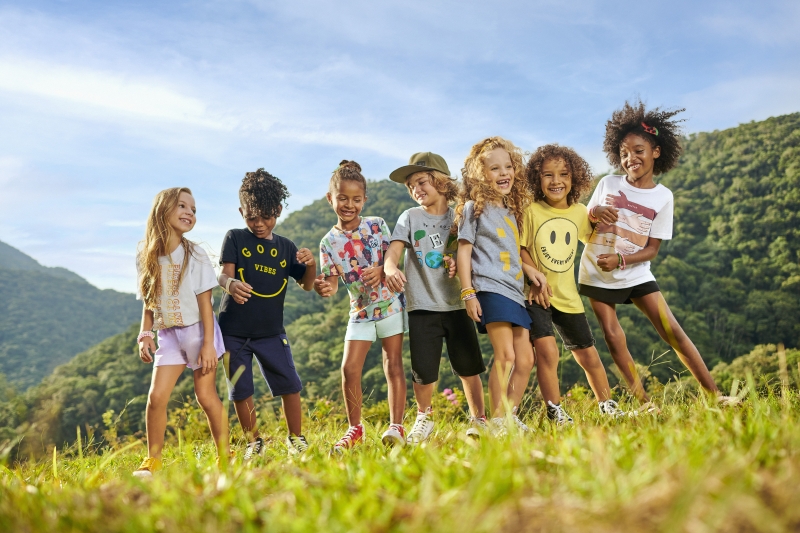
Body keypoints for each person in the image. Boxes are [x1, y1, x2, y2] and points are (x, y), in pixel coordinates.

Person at [578, 100, 734, 406]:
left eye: (638, 150)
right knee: (613, 335)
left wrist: (622, 260)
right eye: (624, 153)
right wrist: (597, 210)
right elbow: (586, 219)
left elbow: (651, 250)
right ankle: (646, 404)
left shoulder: (664, 197)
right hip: (598, 270)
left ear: (656, 152)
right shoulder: (608, 182)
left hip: (634, 270)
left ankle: (716, 397)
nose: (630, 158)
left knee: (672, 329)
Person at [384, 152, 488, 443]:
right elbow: (393, 251)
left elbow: (468, 251)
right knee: (424, 370)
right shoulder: (410, 217)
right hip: (422, 305)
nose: (416, 189)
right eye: (411, 186)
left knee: (469, 366)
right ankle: (424, 418)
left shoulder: (460, 214)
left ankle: (478, 418)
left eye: (421, 181)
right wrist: (390, 267)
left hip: (457, 303)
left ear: (441, 182)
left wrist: (455, 261)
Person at [521, 144, 627, 426]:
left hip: (567, 295)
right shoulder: (531, 211)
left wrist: (598, 214)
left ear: (574, 178)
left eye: (563, 174)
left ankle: (607, 404)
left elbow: (594, 239)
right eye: (548, 175)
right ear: (536, 179)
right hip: (536, 295)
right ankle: (555, 411)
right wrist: (532, 275)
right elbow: (519, 248)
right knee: (547, 352)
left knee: (587, 353)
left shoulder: (579, 211)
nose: (556, 181)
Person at [217, 169, 316, 458]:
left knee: (289, 383)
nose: (259, 224)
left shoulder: (286, 247)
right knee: (241, 389)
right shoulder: (235, 238)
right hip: (233, 331)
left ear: (278, 210)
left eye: (266, 216)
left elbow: (307, 285)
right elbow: (223, 276)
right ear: (241, 212)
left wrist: (311, 265)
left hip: (271, 331)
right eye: (251, 217)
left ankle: (296, 438)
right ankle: (253, 442)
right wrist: (231, 284)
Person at [455, 137, 546, 436]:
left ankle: (508, 415)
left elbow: (512, 252)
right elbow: (464, 251)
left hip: (514, 291)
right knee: (505, 356)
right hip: (490, 289)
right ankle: (495, 421)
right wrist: (468, 292)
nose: (504, 173)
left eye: (508, 166)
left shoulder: (511, 211)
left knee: (527, 358)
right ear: (481, 174)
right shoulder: (473, 209)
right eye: (495, 168)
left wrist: (530, 269)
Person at [314, 160, 408, 451]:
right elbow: (330, 281)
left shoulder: (377, 224)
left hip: (390, 304)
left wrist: (381, 270)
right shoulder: (328, 242)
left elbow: (393, 257)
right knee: (349, 370)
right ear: (331, 199)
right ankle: (355, 428)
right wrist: (324, 287)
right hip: (360, 312)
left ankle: (397, 426)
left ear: (364, 200)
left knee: (392, 364)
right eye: (342, 198)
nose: (349, 205)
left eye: (356, 199)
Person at [134, 187, 227, 477]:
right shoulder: (146, 256)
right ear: (163, 210)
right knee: (156, 398)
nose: (190, 213)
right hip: (169, 336)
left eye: (194, 209)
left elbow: (206, 304)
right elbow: (149, 301)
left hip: (200, 332)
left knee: (206, 396)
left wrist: (209, 345)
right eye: (183, 206)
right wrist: (145, 334)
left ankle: (225, 456)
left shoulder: (195, 255)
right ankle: (153, 461)